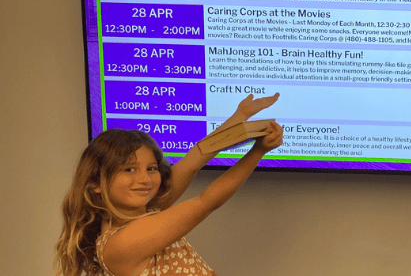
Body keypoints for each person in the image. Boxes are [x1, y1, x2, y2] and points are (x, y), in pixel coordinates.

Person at [55, 94, 284, 276]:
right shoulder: (123, 242)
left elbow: (197, 156)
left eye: (151, 168)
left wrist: (240, 115)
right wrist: (258, 151)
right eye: (129, 169)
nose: (145, 179)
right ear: (95, 183)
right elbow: (207, 201)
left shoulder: (147, 211)